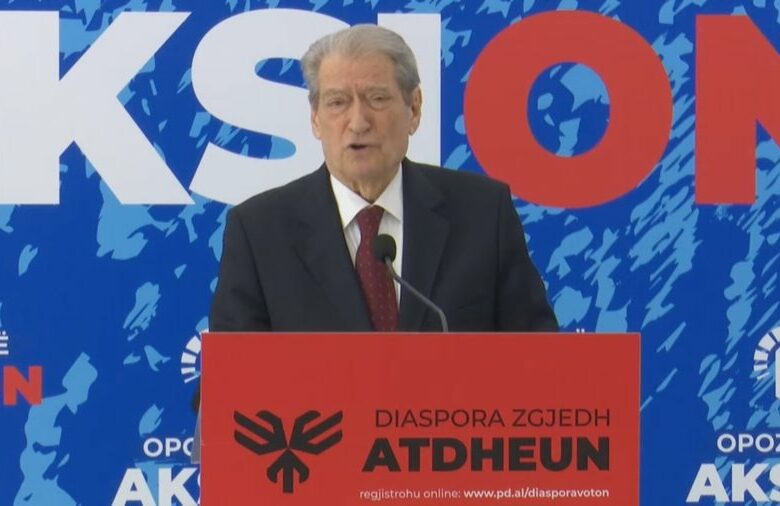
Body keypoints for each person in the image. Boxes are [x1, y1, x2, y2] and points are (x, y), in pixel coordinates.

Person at [208, 24, 558, 334]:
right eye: (337, 102)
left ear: (414, 109)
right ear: (315, 119)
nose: (358, 122)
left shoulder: (482, 214)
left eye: (377, 99)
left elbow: (539, 358)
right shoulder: (260, 231)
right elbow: (233, 378)